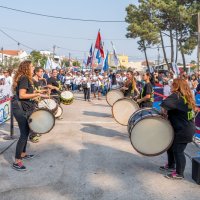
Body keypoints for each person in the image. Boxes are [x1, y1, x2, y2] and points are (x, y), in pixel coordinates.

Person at [11, 60, 47, 171]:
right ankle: (17, 161)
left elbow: (26, 95)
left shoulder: (25, 78)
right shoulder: (24, 78)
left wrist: (38, 94)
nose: (33, 68)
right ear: (26, 67)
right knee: (23, 134)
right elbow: (22, 95)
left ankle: (23, 154)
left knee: (26, 132)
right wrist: (37, 94)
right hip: (20, 109)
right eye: (31, 66)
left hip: (23, 108)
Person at [160, 78, 196, 179]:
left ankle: (179, 173)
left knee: (178, 151)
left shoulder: (176, 96)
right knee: (171, 147)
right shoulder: (185, 96)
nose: (171, 86)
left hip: (183, 129)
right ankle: (171, 165)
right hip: (185, 127)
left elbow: (164, 104)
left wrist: (164, 112)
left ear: (177, 86)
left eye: (172, 84)